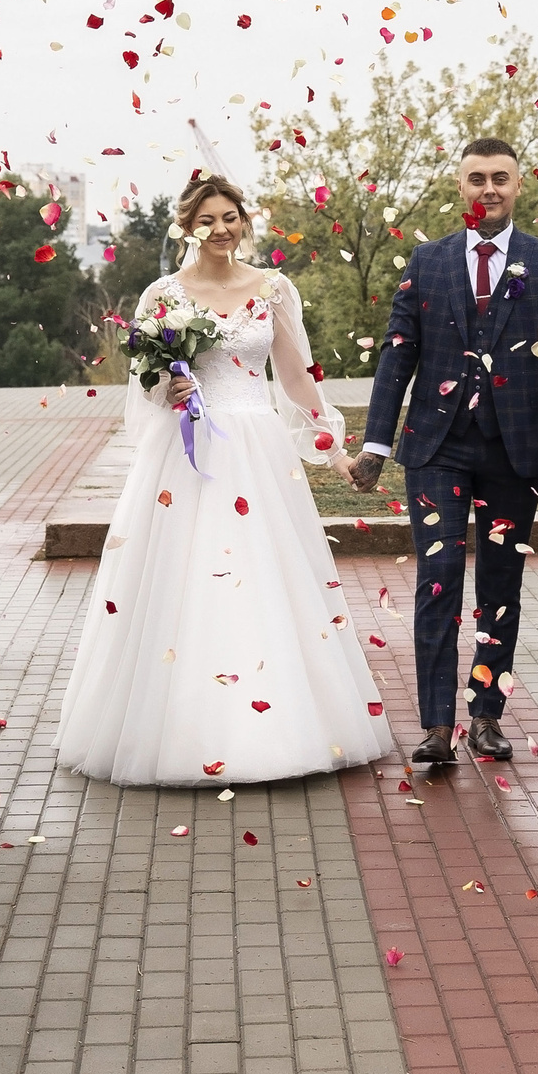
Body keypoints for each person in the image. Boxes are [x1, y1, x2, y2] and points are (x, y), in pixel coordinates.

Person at [60, 173, 391, 782]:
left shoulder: (274, 289)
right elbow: (144, 384)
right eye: (207, 219)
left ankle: (281, 724)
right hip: (187, 454)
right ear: (188, 226)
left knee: (265, 572)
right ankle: (185, 727)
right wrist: (170, 386)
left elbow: (294, 377)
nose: (220, 229)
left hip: (257, 447)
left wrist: (331, 447)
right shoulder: (163, 294)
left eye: (230, 217)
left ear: (244, 221)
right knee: (186, 577)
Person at [351, 141, 538, 766]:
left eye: (501, 179)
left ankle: (485, 716)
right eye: (477, 179)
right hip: (438, 446)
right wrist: (376, 445)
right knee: (437, 583)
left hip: (516, 452)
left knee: (500, 586)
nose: (489, 189)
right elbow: (397, 353)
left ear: (517, 185)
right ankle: (435, 726)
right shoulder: (427, 261)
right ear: (461, 186)